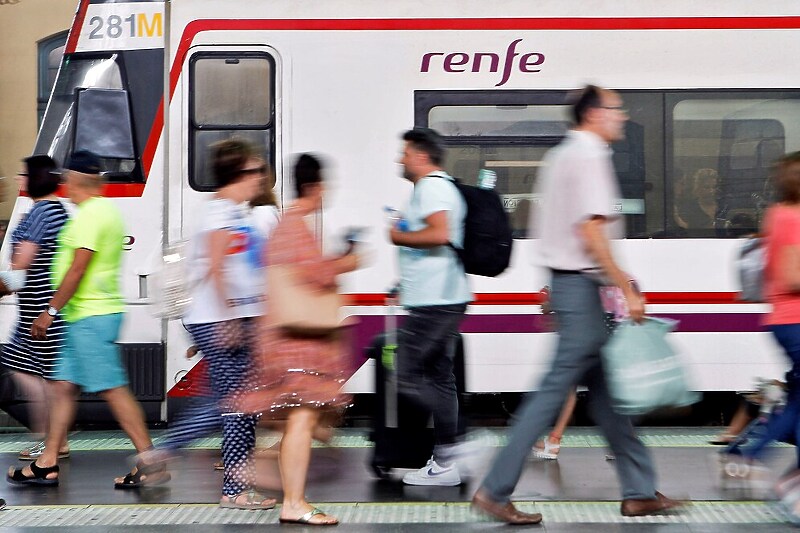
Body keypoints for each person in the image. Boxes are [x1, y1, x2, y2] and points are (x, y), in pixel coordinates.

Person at [472, 86, 681, 525]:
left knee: (607, 397)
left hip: (573, 288)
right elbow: (591, 231)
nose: (622, 116)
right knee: (552, 393)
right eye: (617, 109)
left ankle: (639, 490)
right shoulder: (588, 156)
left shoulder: (565, 154)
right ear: (594, 114)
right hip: (580, 291)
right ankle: (494, 490)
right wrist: (625, 286)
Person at [6, 150, 165, 488]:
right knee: (62, 387)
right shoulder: (92, 212)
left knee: (113, 389)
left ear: (78, 181)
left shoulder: (93, 215)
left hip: (91, 315)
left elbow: (78, 268)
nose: (63, 185)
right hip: (82, 316)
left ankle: (150, 460)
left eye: (67, 179)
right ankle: (47, 462)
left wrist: (49, 312)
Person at [238, 153, 358, 525]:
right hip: (295, 343)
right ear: (315, 187)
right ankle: (293, 501)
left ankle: (291, 496)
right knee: (303, 420)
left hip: (283, 338)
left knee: (300, 420)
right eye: (325, 187)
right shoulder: (295, 226)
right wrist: (348, 261)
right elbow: (317, 275)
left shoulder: (288, 224)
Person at [388, 128, 471, 486]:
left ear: (421, 156)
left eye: (405, 153)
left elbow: (440, 234)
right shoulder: (440, 187)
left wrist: (397, 235)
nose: (400, 159)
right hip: (440, 295)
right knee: (439, 378)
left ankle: (456, 450)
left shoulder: (431, 187)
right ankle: (445, 462)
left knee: (405, 371)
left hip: (436, 300)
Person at [727, 152, 800, 502]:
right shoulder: (796, 218)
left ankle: (749, 453)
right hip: (797, 320)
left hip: (781, 320)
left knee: (799, 396)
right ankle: (751, 453)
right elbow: (791, 276)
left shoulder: (777, 214)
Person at [0, 156, 70, 461]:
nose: (18, 180)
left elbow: (19, 271)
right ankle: (54, 438)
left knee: (40, 376)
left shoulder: (39, 214)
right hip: (41, 308)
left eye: (23, 174)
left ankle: (50, 440)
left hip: (40, 311)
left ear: (35, 178)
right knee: (35, 371)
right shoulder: (58, 210)